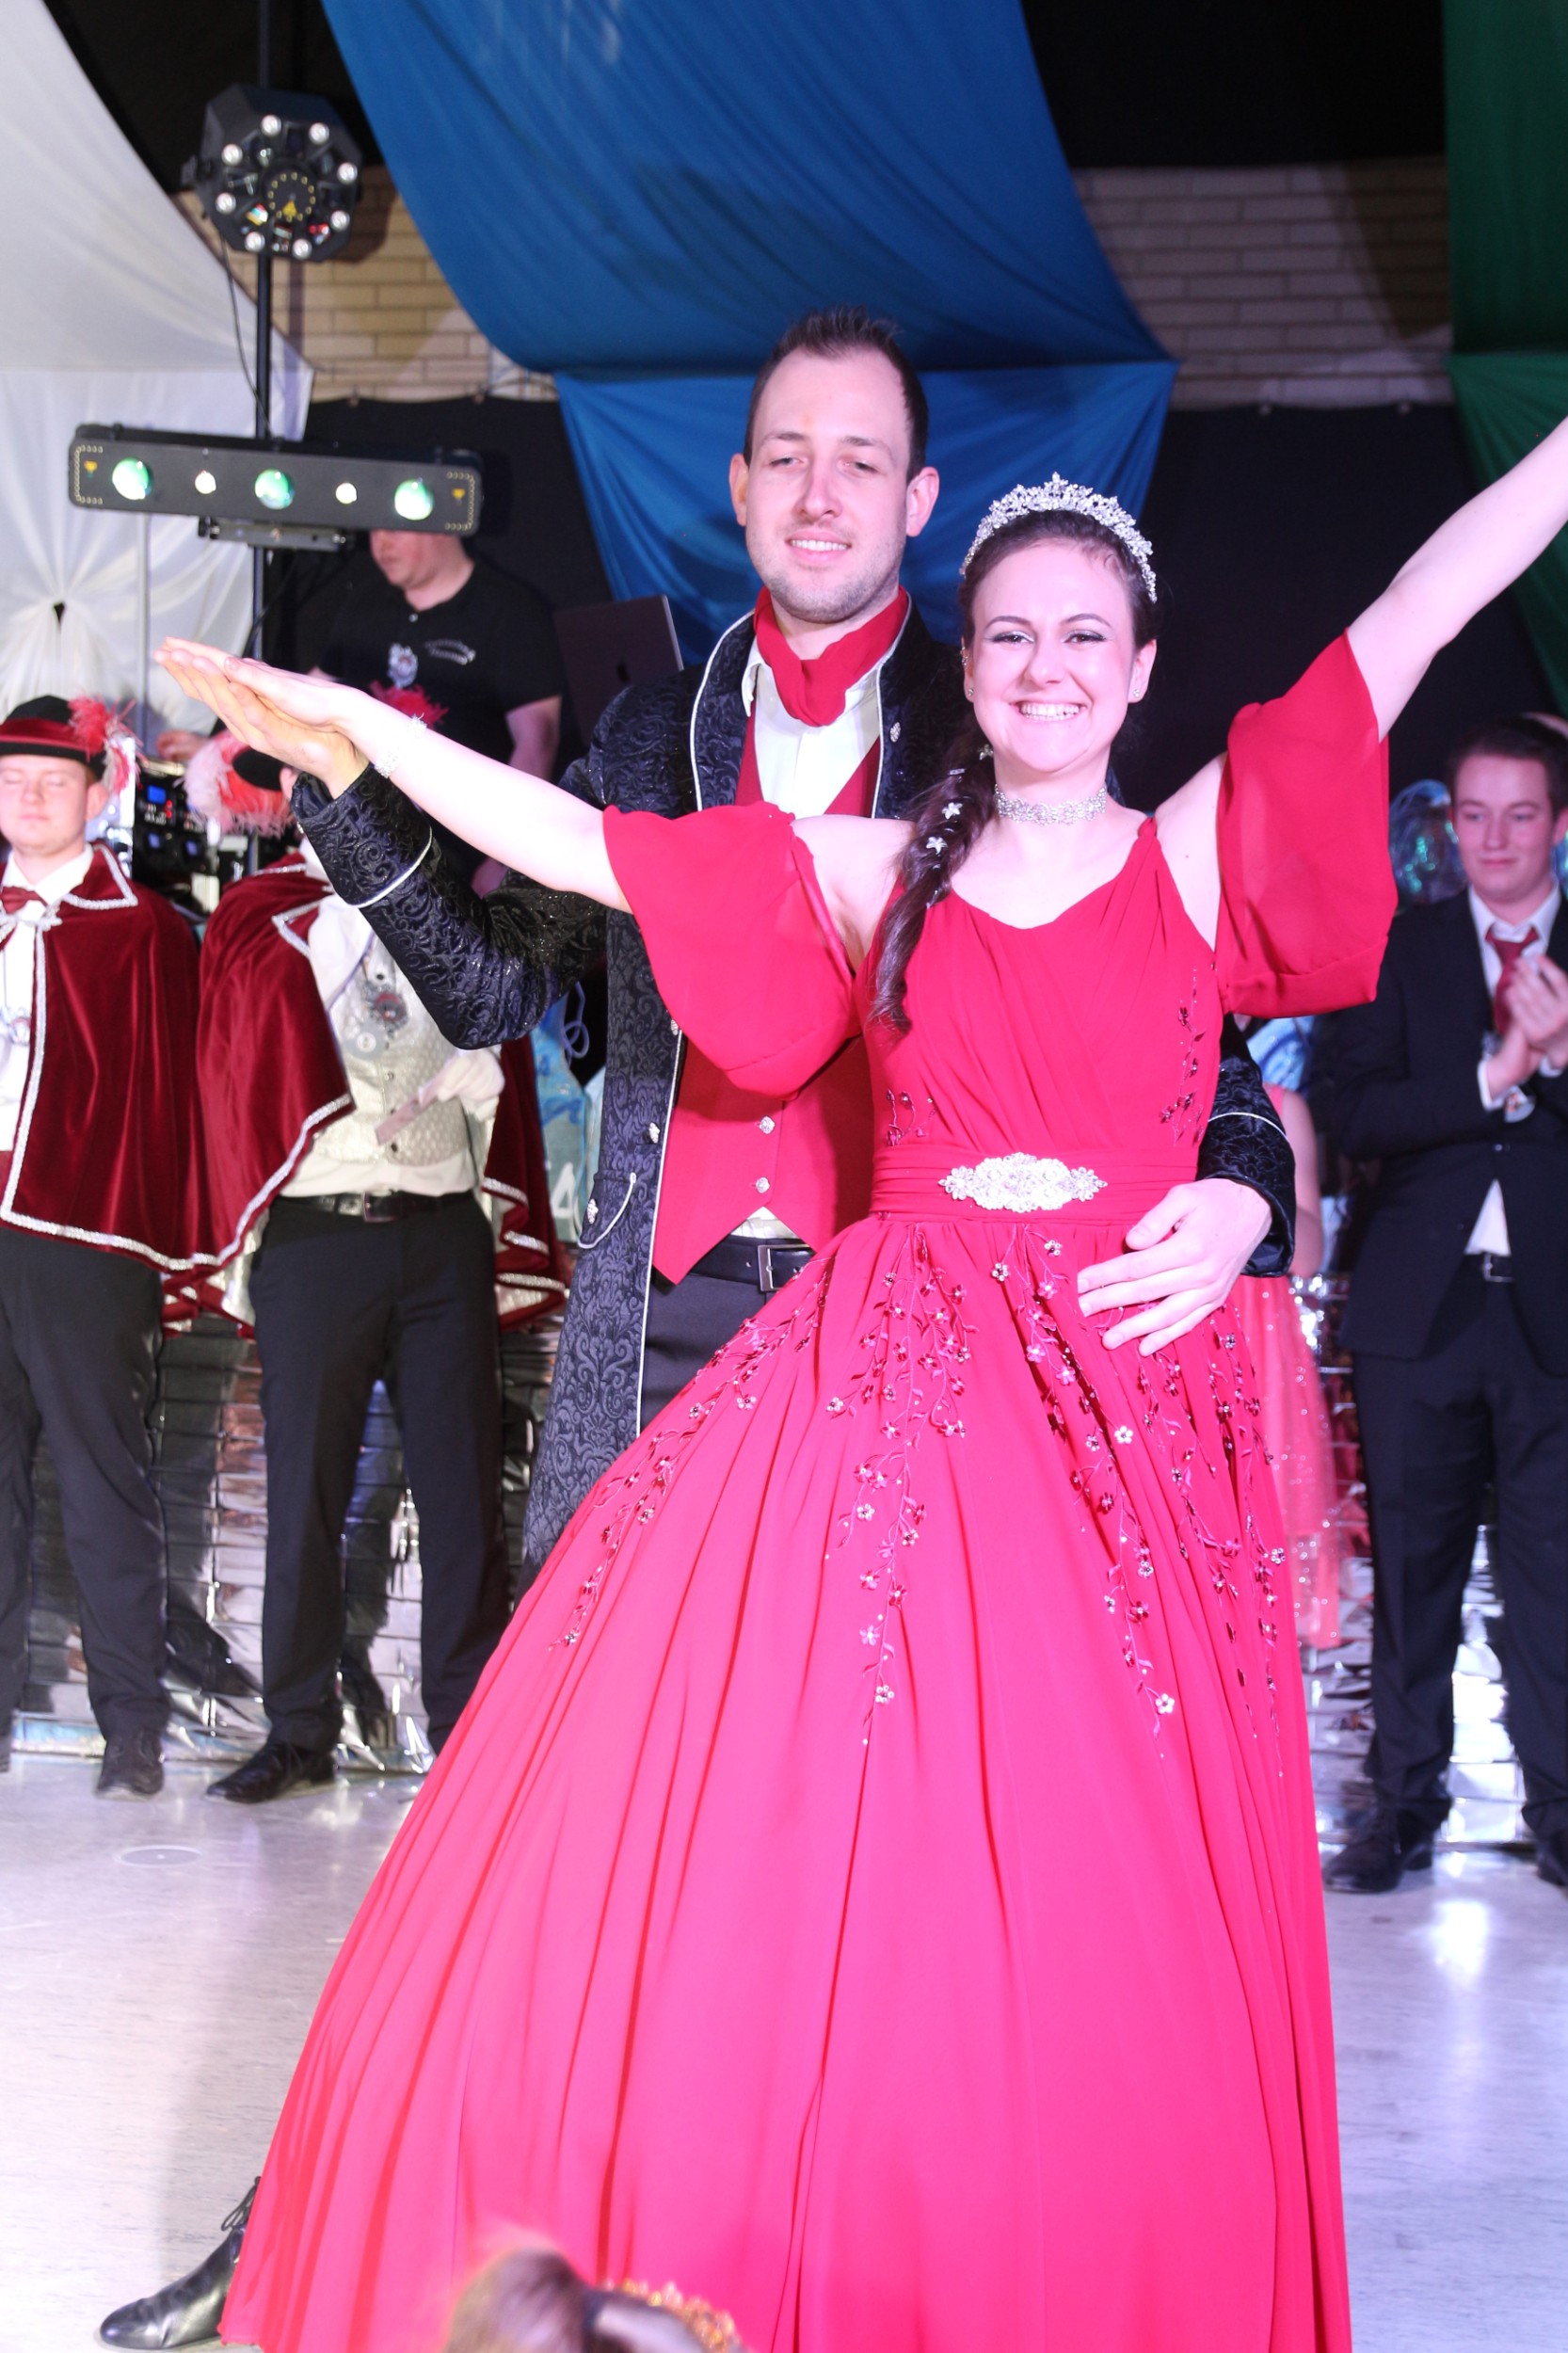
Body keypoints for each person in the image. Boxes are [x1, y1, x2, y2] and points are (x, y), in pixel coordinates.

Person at [121, 415, 1568, 2353]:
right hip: (890, 1395)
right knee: (823, 1835)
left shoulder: (1193, 847)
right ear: (970, 667)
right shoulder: (884, 870)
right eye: (1010, 635)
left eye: (1084, 635)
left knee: (1106, 1893)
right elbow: (591, 851)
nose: (1045, 667)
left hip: (1128, 1427)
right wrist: (356, 730)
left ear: (1140, 666)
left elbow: (1420, 601)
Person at [290, 309, 1296, 1584]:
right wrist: (338, 784)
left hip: (914, 1328)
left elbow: (1181, 1040)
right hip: (661, 1310)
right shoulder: (649, 737)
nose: (819, 494)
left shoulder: (1003, 724)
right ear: (740, 486)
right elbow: (490, 986)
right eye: (786, 457)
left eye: (859, 461)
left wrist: (1247, 1193)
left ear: (917, 498)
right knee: (623, 1681)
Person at [192, 744, 567, 1801]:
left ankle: (464, 1728)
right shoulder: (257, 918)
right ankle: (298, 1729)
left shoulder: (447, 911)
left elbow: (499, 1048)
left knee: (462, 1491)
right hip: (319, 1237)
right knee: (304, 1489)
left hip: (441, 1229)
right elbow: (236, 1076)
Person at [1316, 714, 1568, 1897]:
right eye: (1474, 816)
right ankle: (1403, 1808)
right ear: (1447, 823)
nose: (1494, 841)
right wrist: (1493, 1075)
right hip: (1418, 1312)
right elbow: (1351, 1113)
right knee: (1411, 1573)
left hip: (1553, 1317)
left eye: (1520, 815)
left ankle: (1558, 1810)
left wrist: (1555, 1063)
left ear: (1558, 824)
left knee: (1552, 1580)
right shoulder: (1392, 947)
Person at [0, 695, 203, 1797]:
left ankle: (131, 1724)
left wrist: (162, 1245)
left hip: (85, 1232)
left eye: (52, 781)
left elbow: (174, 1100)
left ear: (95, 792)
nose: (30, 798)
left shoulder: (143, 931)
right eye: (12, 780)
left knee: (101, 1481)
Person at [317, 527, 565, 888]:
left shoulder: (510, 612)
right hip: (360, 835)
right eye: (375, 528)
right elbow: (314, 690)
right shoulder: (365, 603)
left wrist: (504, 859)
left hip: (455, 852)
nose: (381, 543)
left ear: (444, 525)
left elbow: (537, 742)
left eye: (395, 529)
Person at [1229, 1073, 1346, 1647]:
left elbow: (1311, 1252)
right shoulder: (1133, 1091)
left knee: (1263, 1508)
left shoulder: (1279, 1105)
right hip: (1165, 1309)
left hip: (1256, 1333)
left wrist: (1241, 1198)